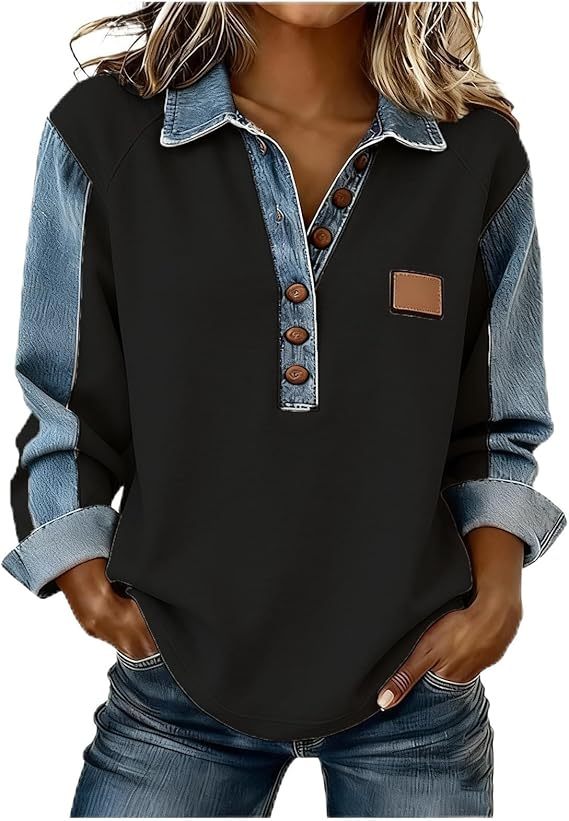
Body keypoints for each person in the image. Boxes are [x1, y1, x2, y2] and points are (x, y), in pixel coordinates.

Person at [3, 2, 565, 817]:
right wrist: (83, 575)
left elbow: (494, 420)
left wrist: (498, 594)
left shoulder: (474, 152)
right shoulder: (105, 133)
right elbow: (66, 394)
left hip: (416, 689)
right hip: (176, 687)